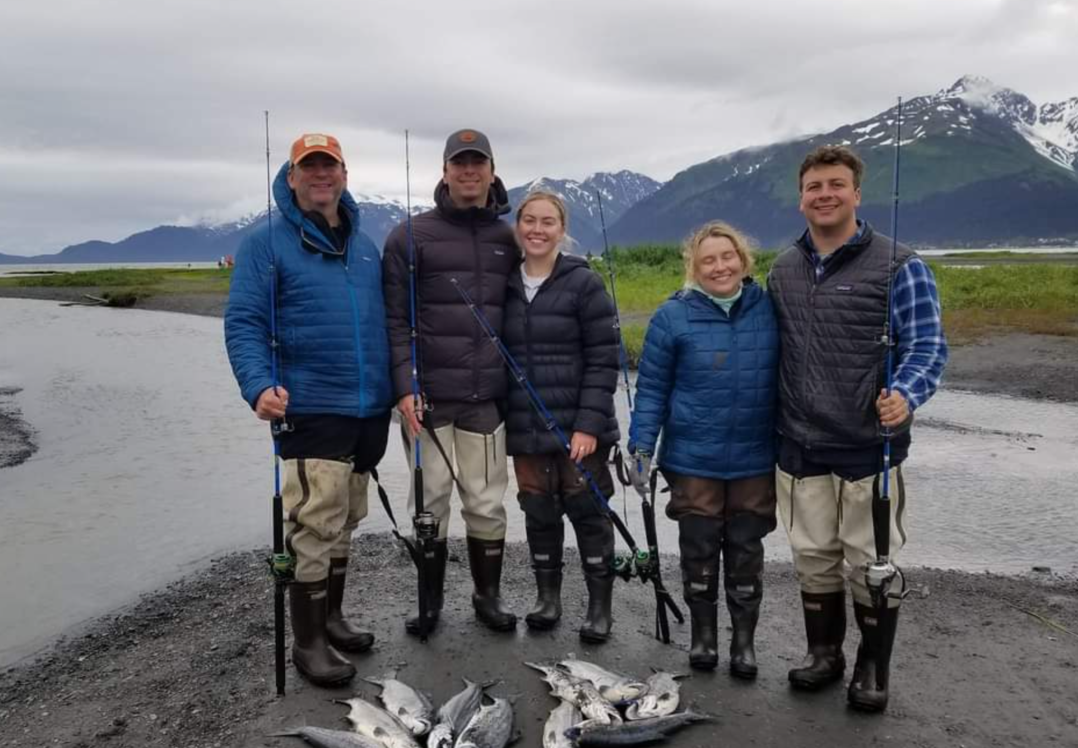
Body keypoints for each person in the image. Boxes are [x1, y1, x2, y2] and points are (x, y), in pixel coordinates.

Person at [768, 145, 947, 712]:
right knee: (811, 555)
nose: (824, 194)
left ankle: (873, 665)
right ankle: (825, 654)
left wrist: (907, 395)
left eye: (835, 184)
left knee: (871, 562)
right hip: (798, 442)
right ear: (801, 199)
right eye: (814, 186)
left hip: (871, 445)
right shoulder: (783, 269)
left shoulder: (901, 265)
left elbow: (928, 346)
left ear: (856, 194)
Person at [225, 133, 393, 687]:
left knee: (347, 516)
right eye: (310, 167)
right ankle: (309, 643)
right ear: (292, 177)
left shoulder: (365, 244)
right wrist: (257, 386)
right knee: (315, 522)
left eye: (331, 165)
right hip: (308, 404)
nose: (321, 175)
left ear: (344, 173)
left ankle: (334, 616)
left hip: (370, 407)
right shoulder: (264, 243)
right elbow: (245, 322)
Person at [628, 221, 779, 675]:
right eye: (708, 260)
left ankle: (744, 645)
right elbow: (651, 389)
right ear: (693, 267)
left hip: (755, 455)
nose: (720, 266)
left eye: (727, 256)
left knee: (746, 550)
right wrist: (640, 448)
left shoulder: (770, 308)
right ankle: (704, 640)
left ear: (743, 260)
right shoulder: (671, 316)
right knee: (698, 549)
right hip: (693, 459)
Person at [382, 129, 517, 633]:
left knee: (486, 503)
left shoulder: (510, 238)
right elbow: (395, 321)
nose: (468, 171)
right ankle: (430, 603)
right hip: (428, 401)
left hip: (487, 399)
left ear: (491, 169)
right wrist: (403, 387)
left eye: (476, 162)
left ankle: (488, 598)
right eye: (458, 163)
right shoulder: (409, 236)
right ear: (443, 171)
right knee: (428, 504)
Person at [501, 191, 621, 642]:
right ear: (518, 226)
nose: (537, 229)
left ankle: (598, 608)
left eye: (547, 221)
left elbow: (604, 358)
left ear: (562, 229)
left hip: (578, 429)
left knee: (589, 512)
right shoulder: (506, 284)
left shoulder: (584, 283)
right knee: (538, 512)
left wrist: (589, 425)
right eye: (528, 220)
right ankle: (547, 599)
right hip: (525, 427)